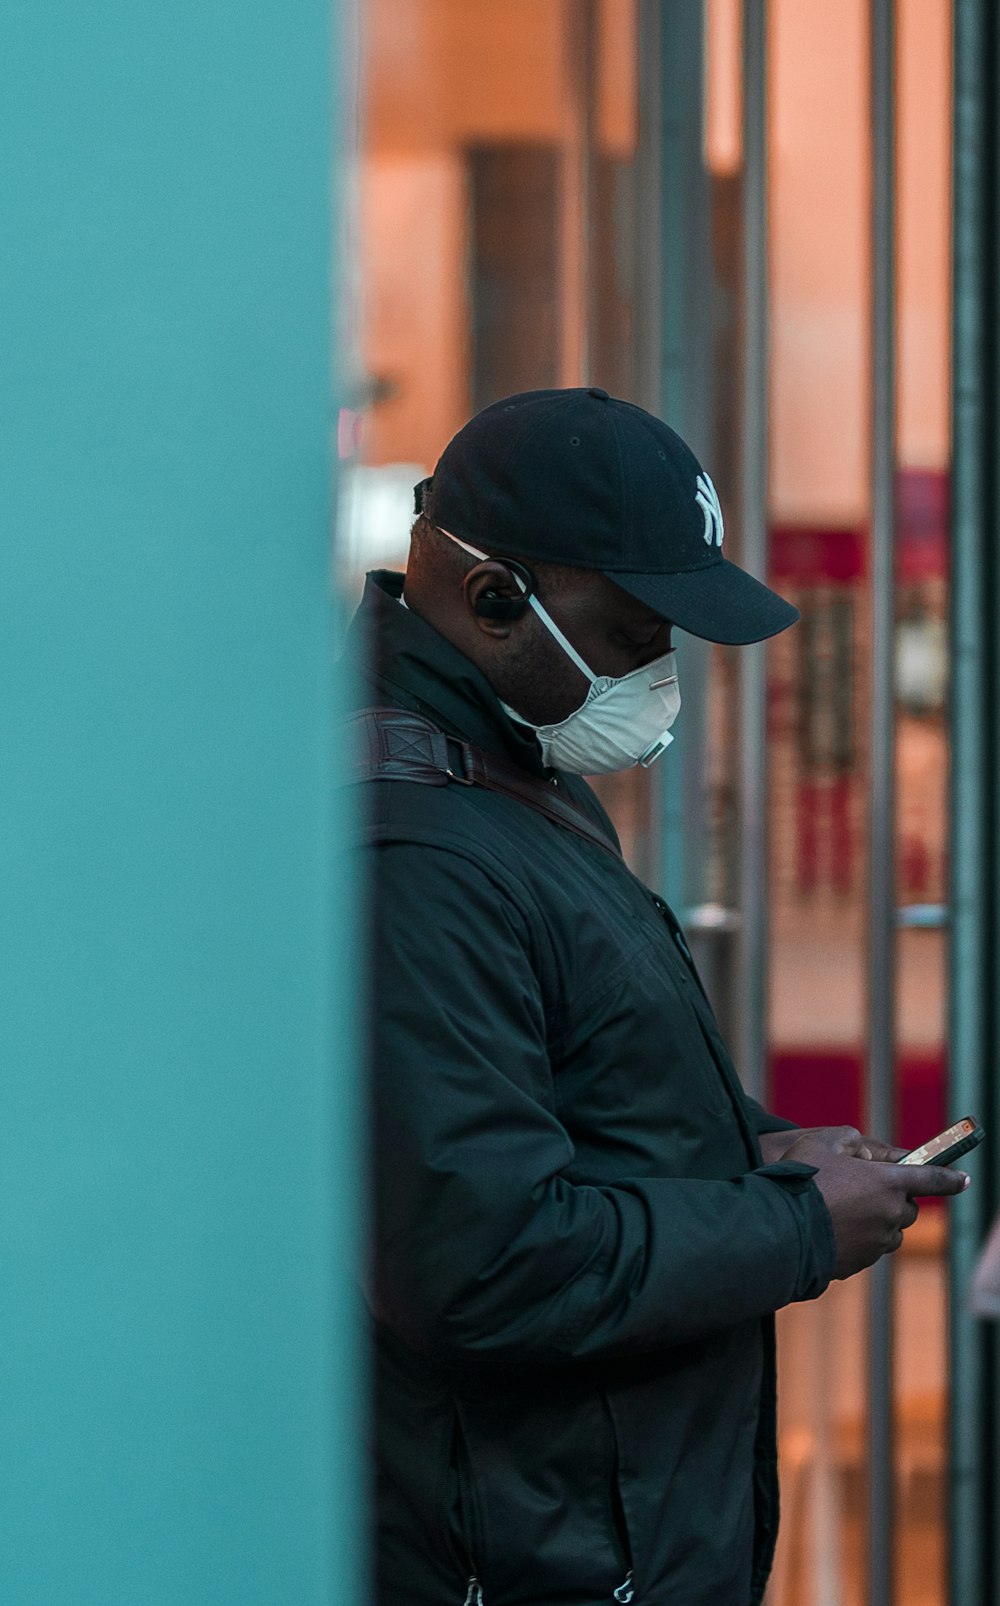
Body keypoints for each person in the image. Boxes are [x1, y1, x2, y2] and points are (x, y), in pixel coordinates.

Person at [342, 387, 968, 1606]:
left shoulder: (506, 768)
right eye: (634, 633)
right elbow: (480, 1262)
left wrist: (755, 1144)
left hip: (597, 1529)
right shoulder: (415, 853)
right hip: (530, 1554)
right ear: (493, 597)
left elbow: (573, 1073)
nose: (659, 675)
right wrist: (794, 1227)